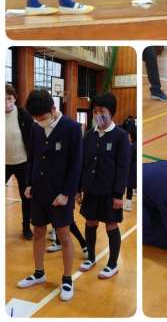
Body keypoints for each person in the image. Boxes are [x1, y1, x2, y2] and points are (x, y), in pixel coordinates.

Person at [17, 90, 82, 301]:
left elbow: (76, 165)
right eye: (35, 118)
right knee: (38, 232)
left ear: (53, 109)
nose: (39, 121)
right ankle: (39, 273)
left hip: (61, 195)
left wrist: (67, 193)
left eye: (42, 117)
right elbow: (32, 158)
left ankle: (67, 279)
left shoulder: (72, 128)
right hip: (39, 192)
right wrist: (29, 183)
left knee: (64, 235)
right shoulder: (36, 128)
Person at [78, 93, 130, 279]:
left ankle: (112, 263)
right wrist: (79, 189)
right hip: (91, 190)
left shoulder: (121, 136)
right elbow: (82, 163)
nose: (98, 114)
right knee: (90, 222)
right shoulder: (89, 135)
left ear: (111, 112)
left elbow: (123, 167)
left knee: (111, 225)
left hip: (110, 192)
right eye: (95, 111)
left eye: (102, 111)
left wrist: (118, 194)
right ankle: (91, 257)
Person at [5, 83, 34, 240]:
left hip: (23, 163)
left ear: (14, 98)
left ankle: (26, 227)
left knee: (26, 197)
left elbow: (33, 138)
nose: (6, 102)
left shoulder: (23, 115)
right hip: (4, 164)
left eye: (9, 98)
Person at [122, 117, 137, 212]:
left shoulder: (132, 147)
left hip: (132, 170)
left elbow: (129, 160)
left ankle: (128, 205)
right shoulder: (135, 145)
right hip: (135, 170)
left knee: (129, 187)